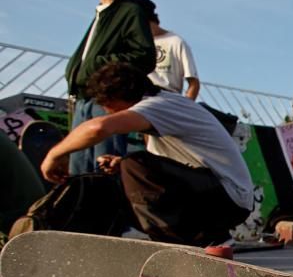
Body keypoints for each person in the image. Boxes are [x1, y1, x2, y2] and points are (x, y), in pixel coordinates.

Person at [40, 62, 253, 246]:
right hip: (217, 195)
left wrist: (54, 155)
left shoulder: (159, 105)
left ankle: (183, 239)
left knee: (135, 164)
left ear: (118, 97)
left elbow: (98, 128)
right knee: (127, 168)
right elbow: (170, 166)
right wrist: (120, 164)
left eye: (107, 105)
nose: (107, 111)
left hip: (227, 199)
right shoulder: (164, 108)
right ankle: (206, 235)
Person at [64, 0, 156, 174]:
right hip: (83, 99)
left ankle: (110, 209)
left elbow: (144, 57)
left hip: (106, 99)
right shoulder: (100, 13)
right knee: (79, 170)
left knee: (105, 167)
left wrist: (98, 65)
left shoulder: (128, 11)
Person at [124, 0, 201, 99]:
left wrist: (183, 108)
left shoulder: (175, 41)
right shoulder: (130, 43)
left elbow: (193, 83)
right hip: (137, 98)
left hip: (166, 97)